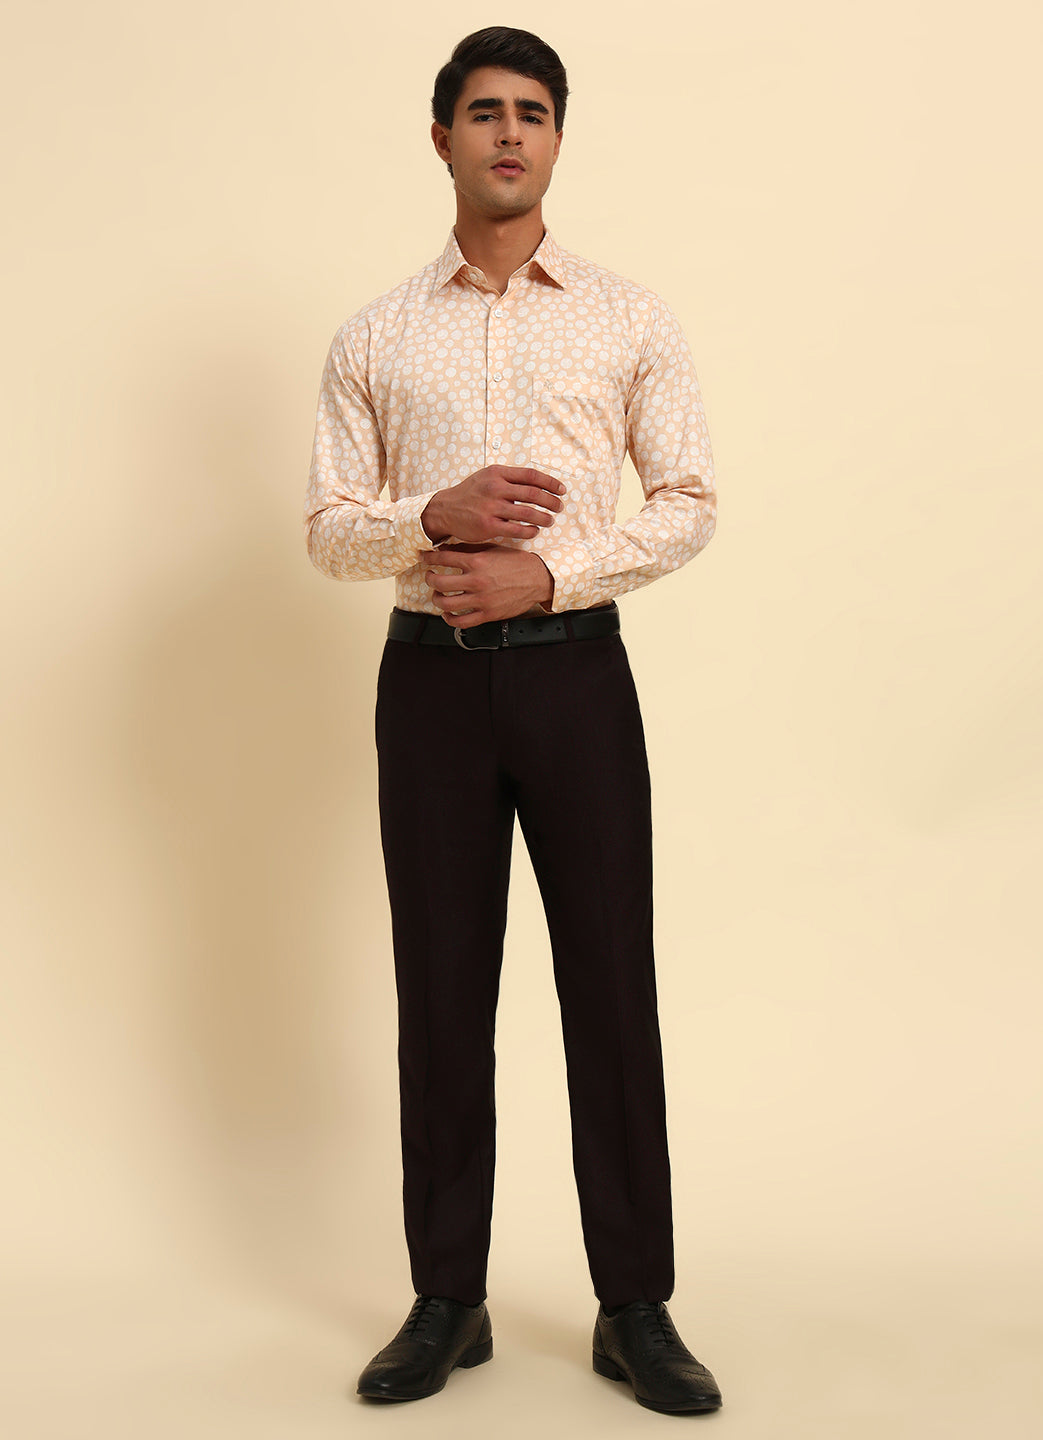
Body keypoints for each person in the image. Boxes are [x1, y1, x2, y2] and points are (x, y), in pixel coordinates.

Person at [303, 26, 722, 1416]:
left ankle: (635, 1306)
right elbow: (327, 529)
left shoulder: (629, 318)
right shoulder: (375, 335)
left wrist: (550, 571)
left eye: (532, 113)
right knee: (440, 992)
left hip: (576, 677)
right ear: (442, 138)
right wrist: (429, 515)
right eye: (483, 112)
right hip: (426, 689)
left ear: (556, 139)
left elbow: (690, 501)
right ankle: (448, 1299)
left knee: (610, 984)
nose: (508, 133)